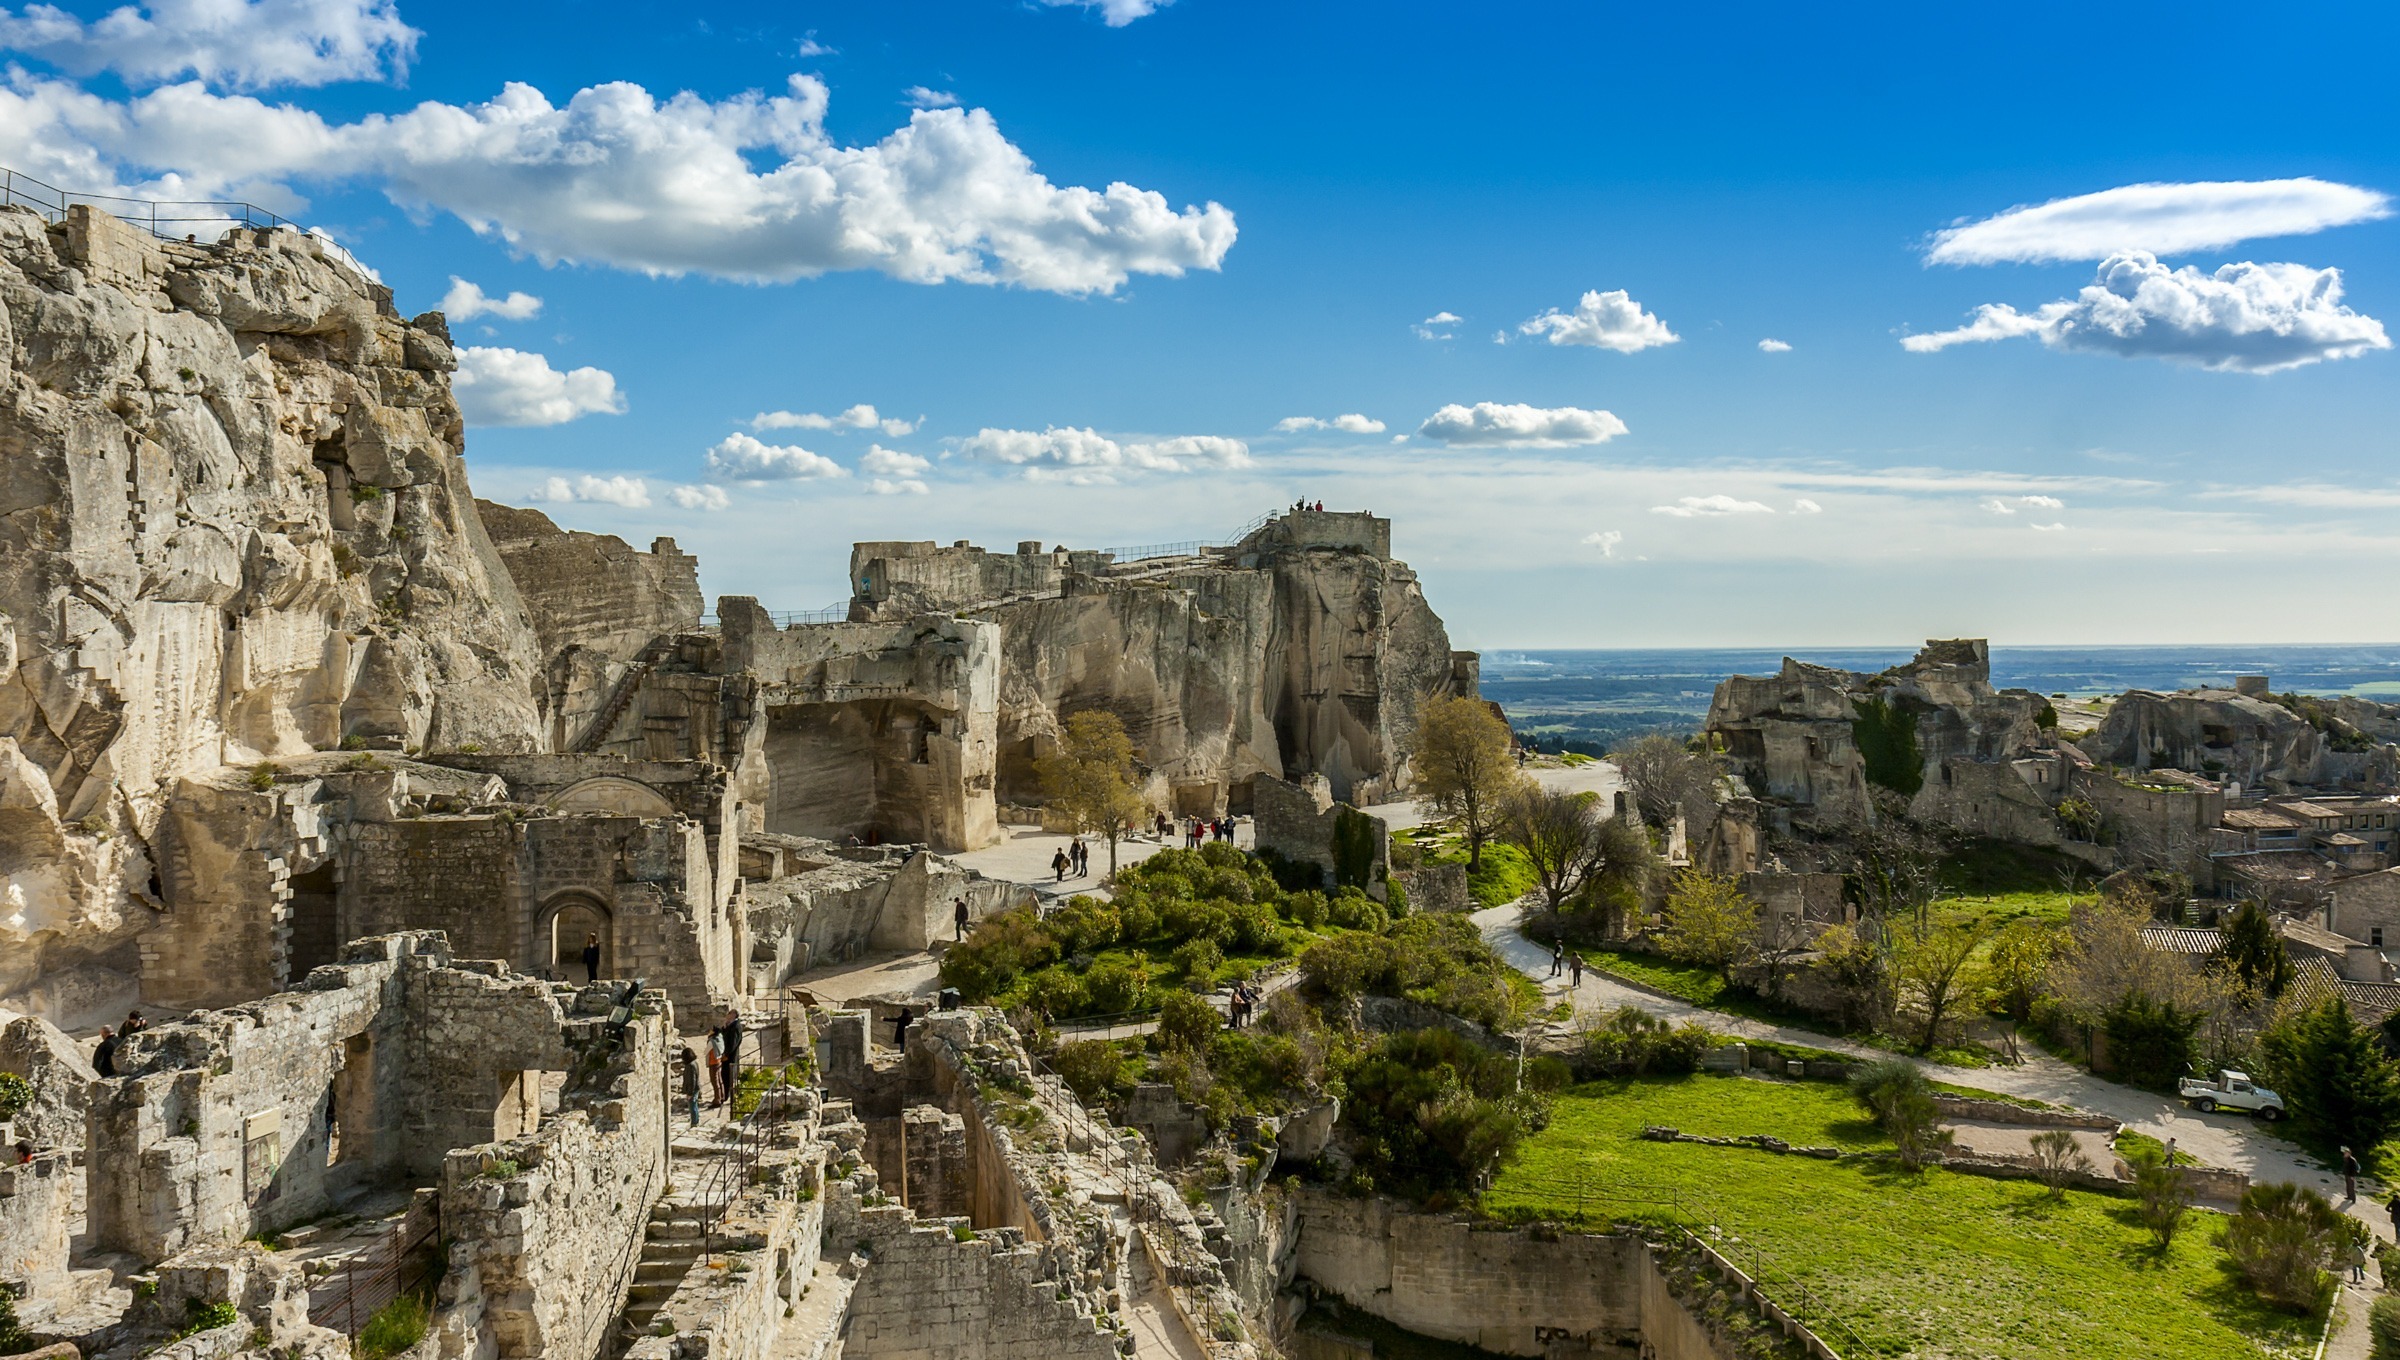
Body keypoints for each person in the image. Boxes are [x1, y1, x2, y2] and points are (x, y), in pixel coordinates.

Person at [718, 1008, 746, 1107]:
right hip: (726, 1055)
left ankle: (727, 1096)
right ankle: (725, 1095)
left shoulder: (736, 1027)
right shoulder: (730, 1025)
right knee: (724, 1076)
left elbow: (733, 1043)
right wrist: (724, 1028)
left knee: (728, 1076)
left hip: (730, 1057)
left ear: (734, 1015)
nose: (727, 1014)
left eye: (729, 1013)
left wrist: (726, 1054)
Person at [677, 1046, 702, 1127]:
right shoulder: (694, 1063)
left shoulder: (690, 1066)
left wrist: (690, 1092)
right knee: (694, 1105)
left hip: (692, 1089)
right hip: (696, 1088)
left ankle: (694, 1122)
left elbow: (692, 1080)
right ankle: (696, 1121)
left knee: (692, 1106)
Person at [706, 1027, 726, 1108]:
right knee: (720, 1080)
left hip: (713, 1062)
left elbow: (706, 1051)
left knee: (715, 1081)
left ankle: (717, 1100)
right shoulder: (720, 1038)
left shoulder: (711, 1041)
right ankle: (722, 1096)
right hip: (719, 1061)